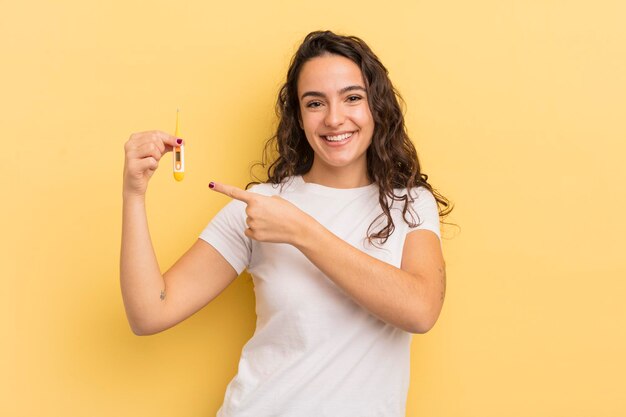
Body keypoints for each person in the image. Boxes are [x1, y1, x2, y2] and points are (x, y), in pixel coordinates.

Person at [121, 30, 452, 417]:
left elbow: (420, 310)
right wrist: (134, 194)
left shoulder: (410, 205)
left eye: (352, 98)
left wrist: (301, 231)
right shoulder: (260, 206)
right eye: (315, 103)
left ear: (376, 106)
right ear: (298, 116)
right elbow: (149, 312)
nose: (334, 118)